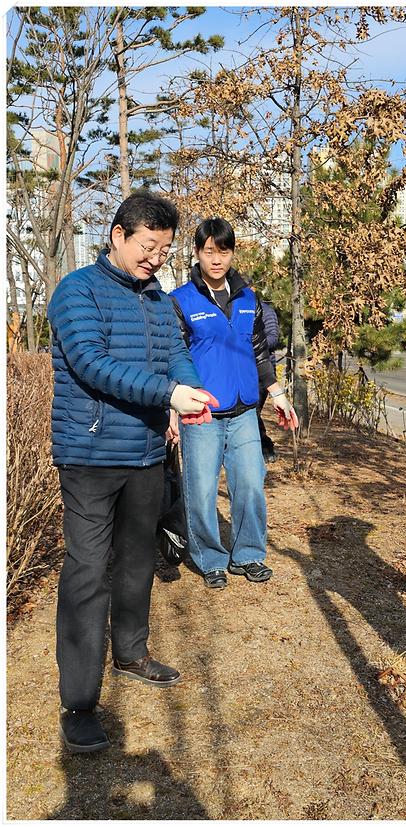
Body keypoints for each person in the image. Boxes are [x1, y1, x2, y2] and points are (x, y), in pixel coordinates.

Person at [48, 191, 216, 754]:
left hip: (146, 453)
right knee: (87, 572)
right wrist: (169, 392)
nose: (156, 259)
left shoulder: (155, 296)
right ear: (118, 235)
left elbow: (176, 353)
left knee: (139, 560)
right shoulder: (76, 291)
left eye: (165, 250)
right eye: (149, 247)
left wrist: (188, 390)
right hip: (91, 457)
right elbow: (92, 364)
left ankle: (132, 652)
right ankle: (79, 703)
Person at [170, 217, 298, 590]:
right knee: (202, 489)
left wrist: (277, 393)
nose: (216, 259)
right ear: (197, 253)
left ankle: (249, 554)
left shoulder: (248, 298)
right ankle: (210, 559)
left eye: (223, 251)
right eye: (209, 251)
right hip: (202, 413)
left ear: (232, 253)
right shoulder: (180, 301)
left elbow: (260, 352)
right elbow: (173, 356)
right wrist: (174, 409)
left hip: (244, 411)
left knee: (250, 485)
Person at [256, 298, 281, 463]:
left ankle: (266, 447)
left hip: (263, 371)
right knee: (250, 412)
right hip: (243, 371)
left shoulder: (266, 311)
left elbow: (274, 337)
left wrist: (251, 342)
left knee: (253, 412)